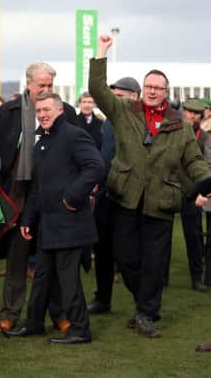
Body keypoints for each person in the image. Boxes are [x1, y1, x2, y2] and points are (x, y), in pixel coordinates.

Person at [89, 34, 211, 338]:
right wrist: (102, 51)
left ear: (166, 92)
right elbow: (97, 89)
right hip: (126, 199)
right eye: (149, 87)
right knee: (127, 258)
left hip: (161, 203)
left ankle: (146, 314)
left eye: (158, 88)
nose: (153, 92)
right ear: (142, 90)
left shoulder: (180, 126)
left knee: (156, 264)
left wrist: (206, 181)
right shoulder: (123, 113)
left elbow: (193, 160)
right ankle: (146, 303)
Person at [0, 62, 77, 334]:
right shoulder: (9, 111)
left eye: (50, 86)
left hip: (54, 194)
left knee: (51, 259)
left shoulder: (67, 112)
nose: (47, 90)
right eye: (42, 85)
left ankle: (59, 314)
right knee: (17, 259)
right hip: (17, 194)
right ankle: (10, 314)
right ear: (28, 84)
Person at [11, 92, 104, 344]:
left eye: (47, 110)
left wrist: (72, 196)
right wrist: (28, 219)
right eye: (39, 111)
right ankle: (34, 324)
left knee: (67, 279)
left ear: (60, 110)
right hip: (48, 224)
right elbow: (38, 187)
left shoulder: (74, 135)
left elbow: (96, 166)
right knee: (42, 276)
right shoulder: (42, 141)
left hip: (71, 223)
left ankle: (80, 330)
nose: (42, 115)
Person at [88, 76, 141, 315]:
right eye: (114, 96)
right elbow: (103, 154)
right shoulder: (108, 121)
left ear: (135, 97)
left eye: (120, 96)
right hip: (105, 194)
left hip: (128, 196)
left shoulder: (140, 122)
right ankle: (103, 299)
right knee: (102, 250)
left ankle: (144, 304)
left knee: (127, 255)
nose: (115, 100)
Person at [178, 99, 211, 292]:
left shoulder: (205, 137)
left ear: (200, 116)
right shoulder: (173, 132)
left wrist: (199, 191)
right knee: (163, 240)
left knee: (194, 237)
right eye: (189, 112)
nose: (191, 116)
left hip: (194, 194)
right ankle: (160, 279)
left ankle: (197, 278)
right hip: (173, 190)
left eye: (195, 113)